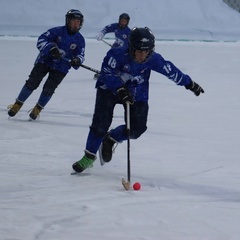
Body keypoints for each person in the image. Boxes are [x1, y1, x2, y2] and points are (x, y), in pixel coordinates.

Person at [72, 27, 204, 173]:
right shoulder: (116, 54)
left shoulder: (153, 59)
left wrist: (189, 84)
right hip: (108, 90)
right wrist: (120, 89)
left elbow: (170, 70)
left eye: (146, 51)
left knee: (136, 129)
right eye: (139, 51)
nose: (142, 55)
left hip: (137, 93)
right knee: (100, 125)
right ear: (131, 48)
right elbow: (106, 73)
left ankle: (111, 138)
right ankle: (89, 157)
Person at [8, 9, 85, 120]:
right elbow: (41, 40)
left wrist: (77, 60)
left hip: (61, 67)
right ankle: (17, 105)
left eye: (78, 22)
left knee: (49, 89)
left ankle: (37, 110)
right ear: (68, 21)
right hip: (44, 61)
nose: (76, 24)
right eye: (74, 21)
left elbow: (81, 54)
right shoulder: (56, 31)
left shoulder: (80, 40)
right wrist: (51, 48)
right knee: (31, 83)